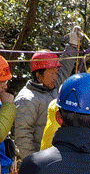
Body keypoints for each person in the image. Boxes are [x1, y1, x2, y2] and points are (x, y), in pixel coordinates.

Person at [14, 26, 82, 160]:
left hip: (57, 156)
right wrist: (33, 164)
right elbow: (23, 137)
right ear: (38, 75)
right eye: (51, 73)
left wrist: (73, 45)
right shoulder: (27, 99)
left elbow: (65, 67)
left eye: (55, 73)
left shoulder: (53, 86)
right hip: (40, 160)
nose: (55, 77)